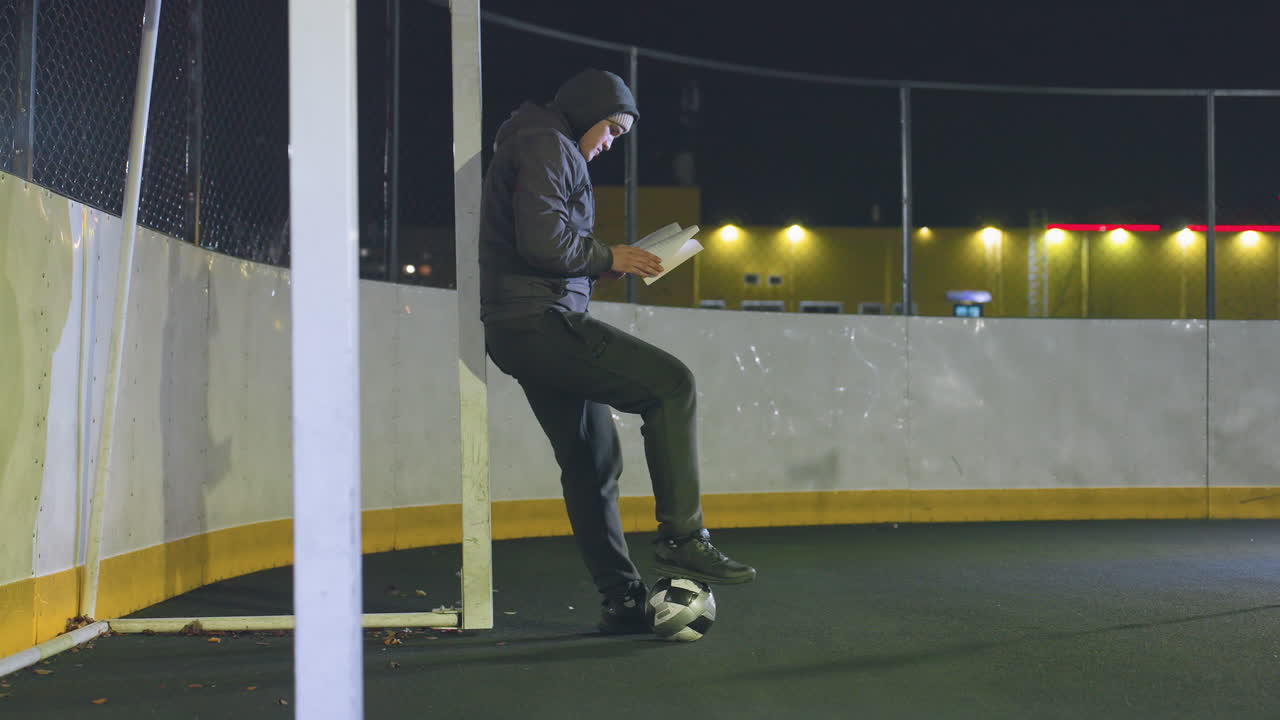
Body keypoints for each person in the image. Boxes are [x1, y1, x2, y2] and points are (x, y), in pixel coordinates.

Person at [479, 68, 756, 634]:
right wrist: (610, 256)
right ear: (586, 112)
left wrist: (595, 268)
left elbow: (540, 246)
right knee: (671, 384)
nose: (609, 144)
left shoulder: (537, 141)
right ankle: (683, 538)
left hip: (524, 323)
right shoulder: (547, 144)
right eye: (610, 130)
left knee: (592, 463)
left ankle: (623, 600)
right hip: (538, 322)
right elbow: (543, 241)